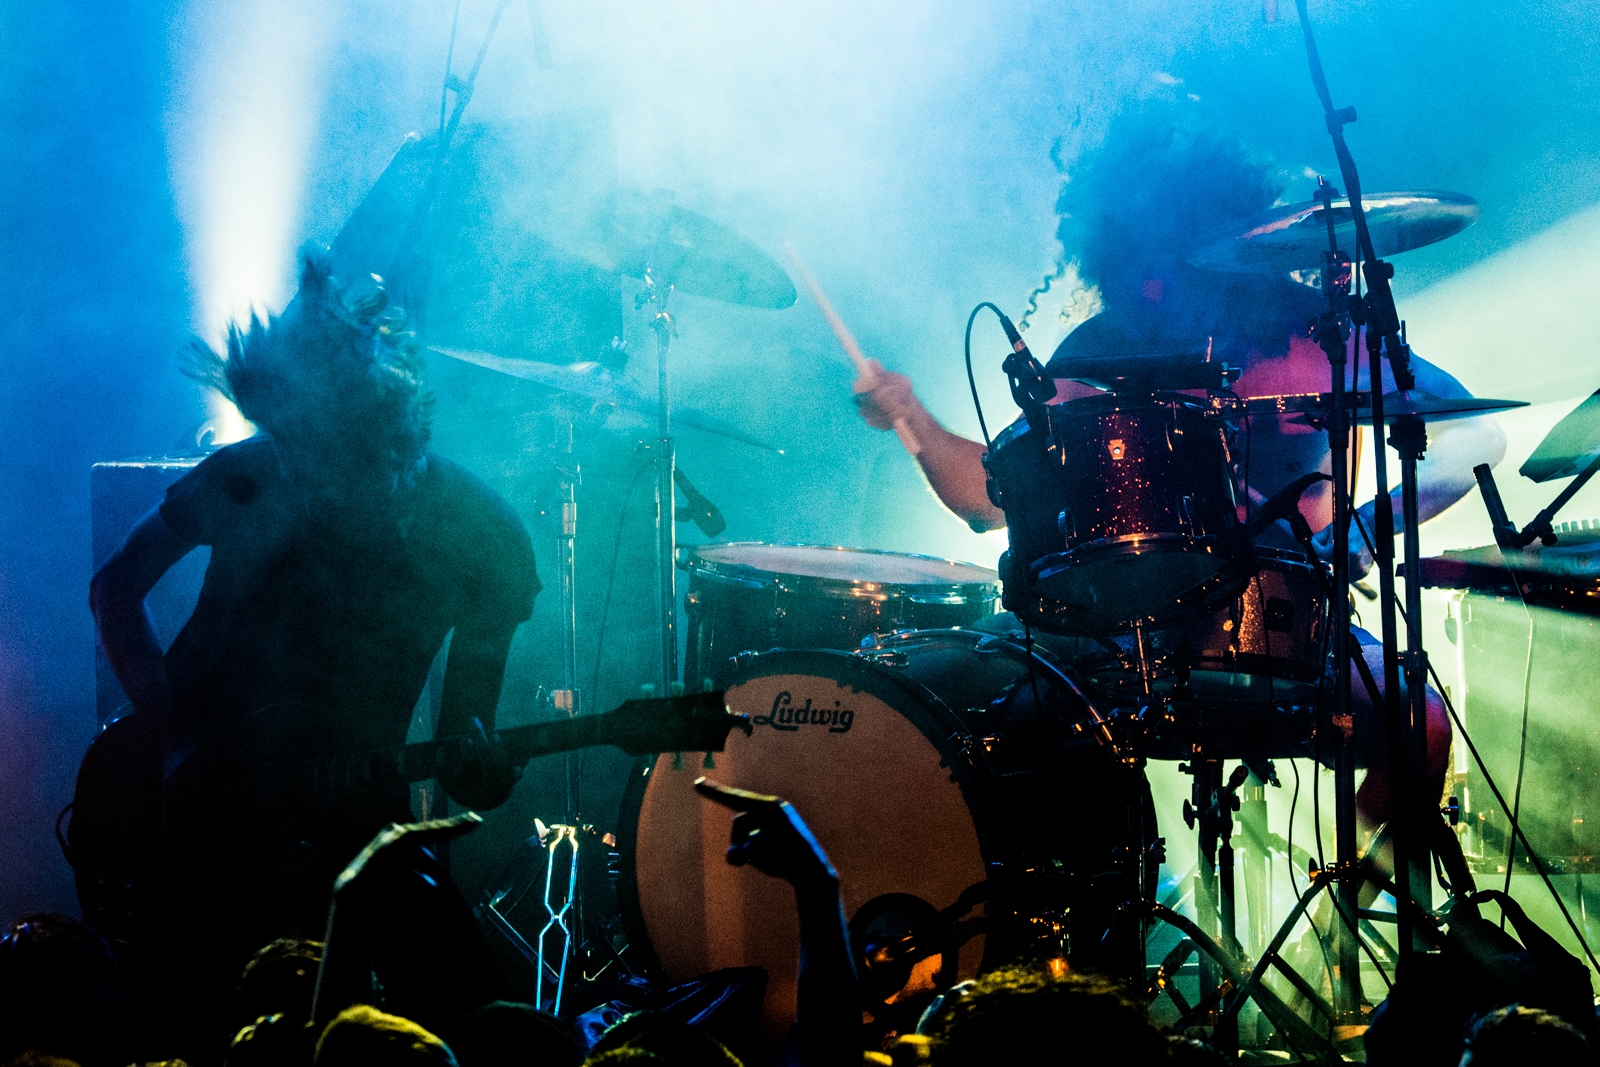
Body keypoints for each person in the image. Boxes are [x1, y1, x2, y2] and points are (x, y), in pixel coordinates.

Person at [852, 116, 1505, 833]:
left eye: (1169, 259)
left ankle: (1344, 916)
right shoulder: (1103, 346)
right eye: (1141, 265)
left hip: (1289, 624)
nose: (1155, 286)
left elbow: (1477, 432)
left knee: (1420, 722)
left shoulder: (1320, 332)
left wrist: (1361, 531)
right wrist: (909, 414)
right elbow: (986, 499)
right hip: (1122, 638)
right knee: (970, 714)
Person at [85, 249, 539, 1027]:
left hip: (360, 828)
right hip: (205, 817)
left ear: (378, 425)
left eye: (314, 441)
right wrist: (171, 741)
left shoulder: (482, 535)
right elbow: (114, 588)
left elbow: (470, 760)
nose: (296, 460)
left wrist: (484, 759)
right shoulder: (251, 475)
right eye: (285, 436)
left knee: (466, 1017)